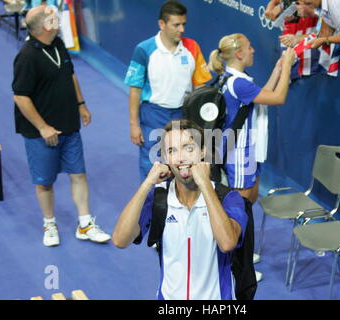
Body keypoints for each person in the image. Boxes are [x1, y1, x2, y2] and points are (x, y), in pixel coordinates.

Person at [113, 120, 249, 300]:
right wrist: (147, 184)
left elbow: (227, 243)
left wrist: (205, 185)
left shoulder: (228, 198)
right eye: (172, 151)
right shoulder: (159, 198)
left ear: (203, 152)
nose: (180, 158)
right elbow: (120, 240)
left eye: (188, 148)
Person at [12, 5, 111, 247]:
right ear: (45, 26)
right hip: (40, 134)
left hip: (69, 125)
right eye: (54, 18)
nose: (59, 19)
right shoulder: (26, 56)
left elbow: (70, 74)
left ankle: (85, 224)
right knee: (45, 182)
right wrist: (43, 127)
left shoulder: (57, 45)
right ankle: (50, 224)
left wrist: (81, 104)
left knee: (78, 174)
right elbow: (20, 96)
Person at [208, 34, 296, 280]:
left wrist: (278, 69)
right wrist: (288, 65)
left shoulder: (234, 79)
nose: (253, 50)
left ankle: (242, 253)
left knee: (247, 205)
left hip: (247, 154)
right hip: (240, 157)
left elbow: (262, 95)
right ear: (239, 54)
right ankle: (238, 264)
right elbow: (278, 98)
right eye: (249, 47)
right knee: (239, 212)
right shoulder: (239, 83)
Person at [124, 0, 212, 182]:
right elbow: (135, 90)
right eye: (176, 25)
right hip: (153, 114)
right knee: (153, 166)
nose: (181, 29)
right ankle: (151, 207)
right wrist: (134, 124)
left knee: (183, 164)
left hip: (184, 114)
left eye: (183, 24)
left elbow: (201, 87)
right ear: (162, 24)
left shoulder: (192, 47)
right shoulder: (143, 50)